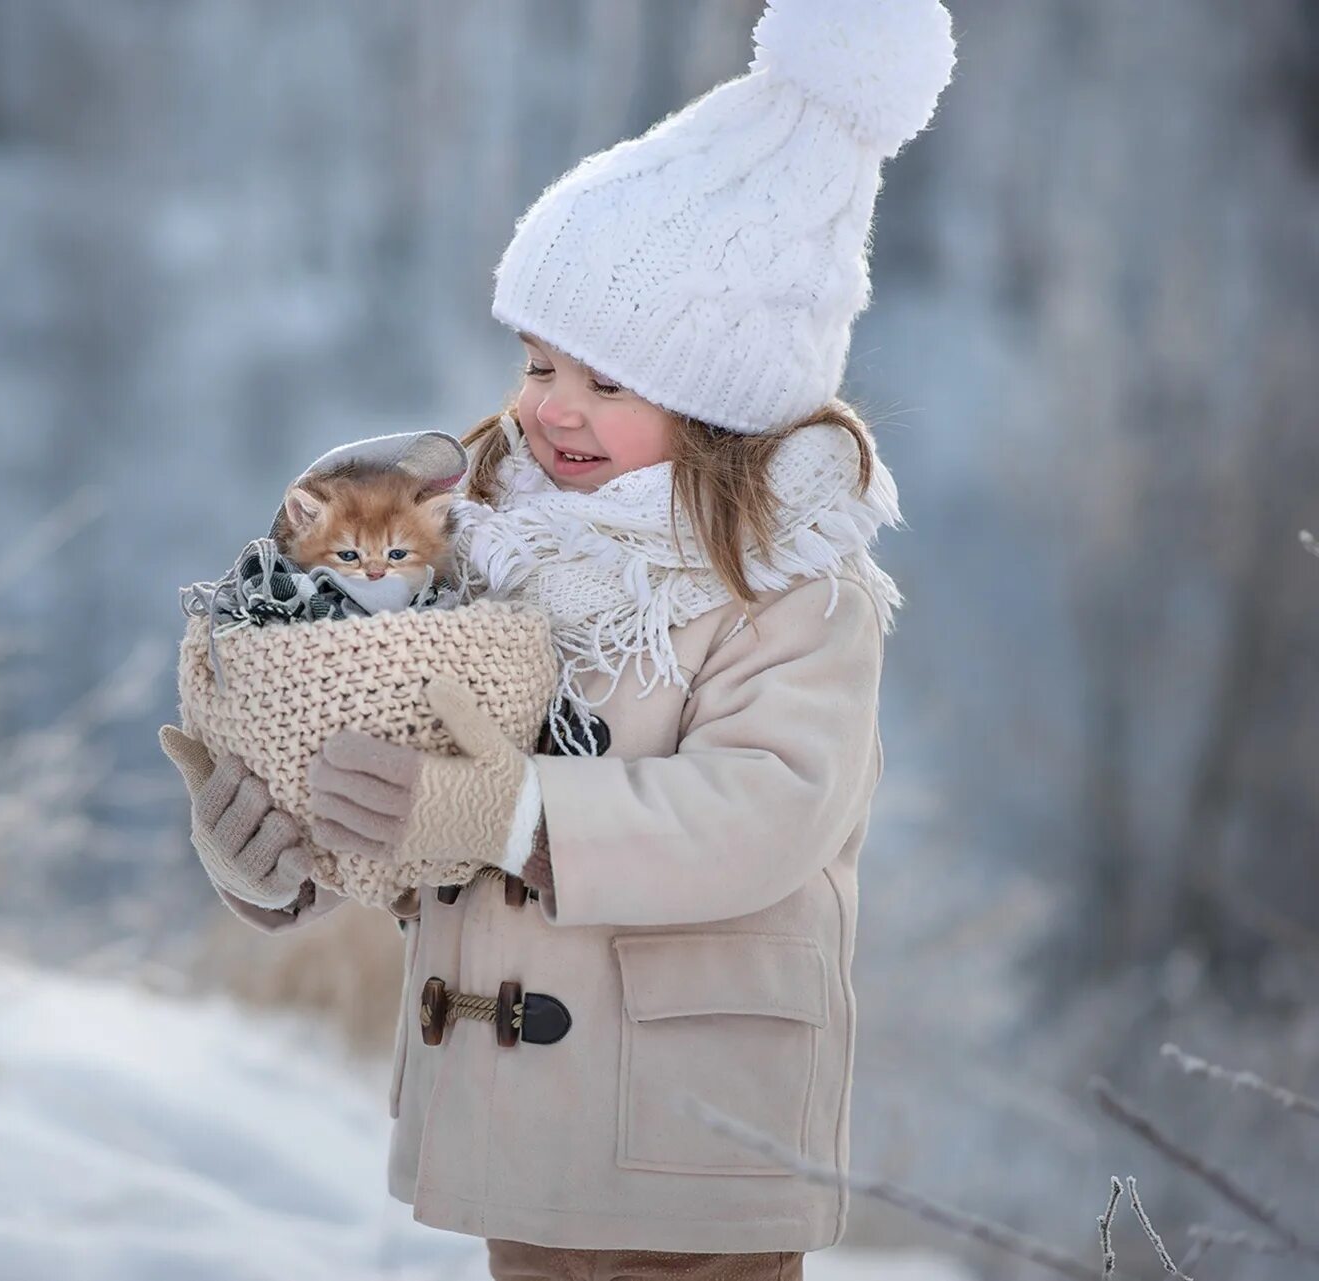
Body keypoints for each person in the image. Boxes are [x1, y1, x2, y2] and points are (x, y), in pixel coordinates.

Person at [159, 1, 956, 1275]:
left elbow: (767, 810)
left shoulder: (796, 589)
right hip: (517, 1133)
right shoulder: (480, 544)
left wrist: (511, 814)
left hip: (693, 1142)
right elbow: (403, 778)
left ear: (721, 402)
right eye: (537, 363)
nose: (551, 410)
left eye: (609, 381)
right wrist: (286, 849)